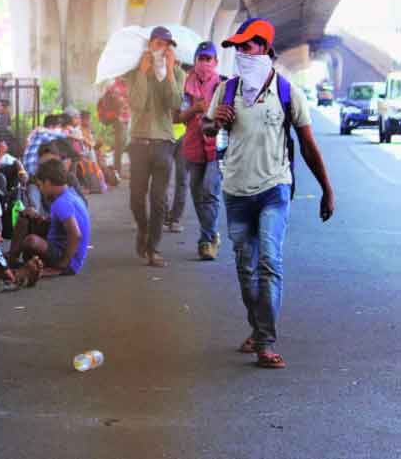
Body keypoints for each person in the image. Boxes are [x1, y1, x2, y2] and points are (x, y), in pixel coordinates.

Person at [202, 18, 334, 369]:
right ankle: (257, 326)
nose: (241, 53)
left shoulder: (289, 92)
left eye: (247, 46)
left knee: (269, 263)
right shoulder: (226, 90)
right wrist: (216, 121)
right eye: (237, 48)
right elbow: (205, 126)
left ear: (264, 48)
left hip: (275, 188)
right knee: (246, 270)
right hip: (236, 191)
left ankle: (265, 341)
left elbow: (307, 144)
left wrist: (326, 189)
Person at [122, 25, 184, 267]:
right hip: (138, 142)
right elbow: (137, 103)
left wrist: (168, 72)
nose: (162, 49)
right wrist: (142, 72)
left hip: (164, 144)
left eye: (166, 46)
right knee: (136, 197)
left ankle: (154, 248)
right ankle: (144, 230)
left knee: (158, 199)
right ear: (149, 46)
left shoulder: (177, 73)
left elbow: (175, 102)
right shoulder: (135, 71)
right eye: (158, 44)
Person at [178, 42, 222, 260]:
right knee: (196, 194)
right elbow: (177, 117)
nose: (204, 63)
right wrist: (194, 109)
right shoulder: (186, 85)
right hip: (193, 146)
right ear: (194, 61)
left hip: (217, 147)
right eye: (201, 59)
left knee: (209, 191)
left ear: (216, 62)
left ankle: (206, 240)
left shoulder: (223, 85)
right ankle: (212, 233)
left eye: (208, 59)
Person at [16, 159, 90, 277]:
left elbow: (75, 235)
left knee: (31, 241)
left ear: (48, 183)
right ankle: (13, 260)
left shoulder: (61, 203)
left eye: (40, 185)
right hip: (66, 253)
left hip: (68, 262)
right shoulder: (71, 194)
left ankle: (12, 262)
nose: (40, 189)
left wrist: (62, 265)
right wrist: (40, 218)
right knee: (25, 218)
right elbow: (60, 224)